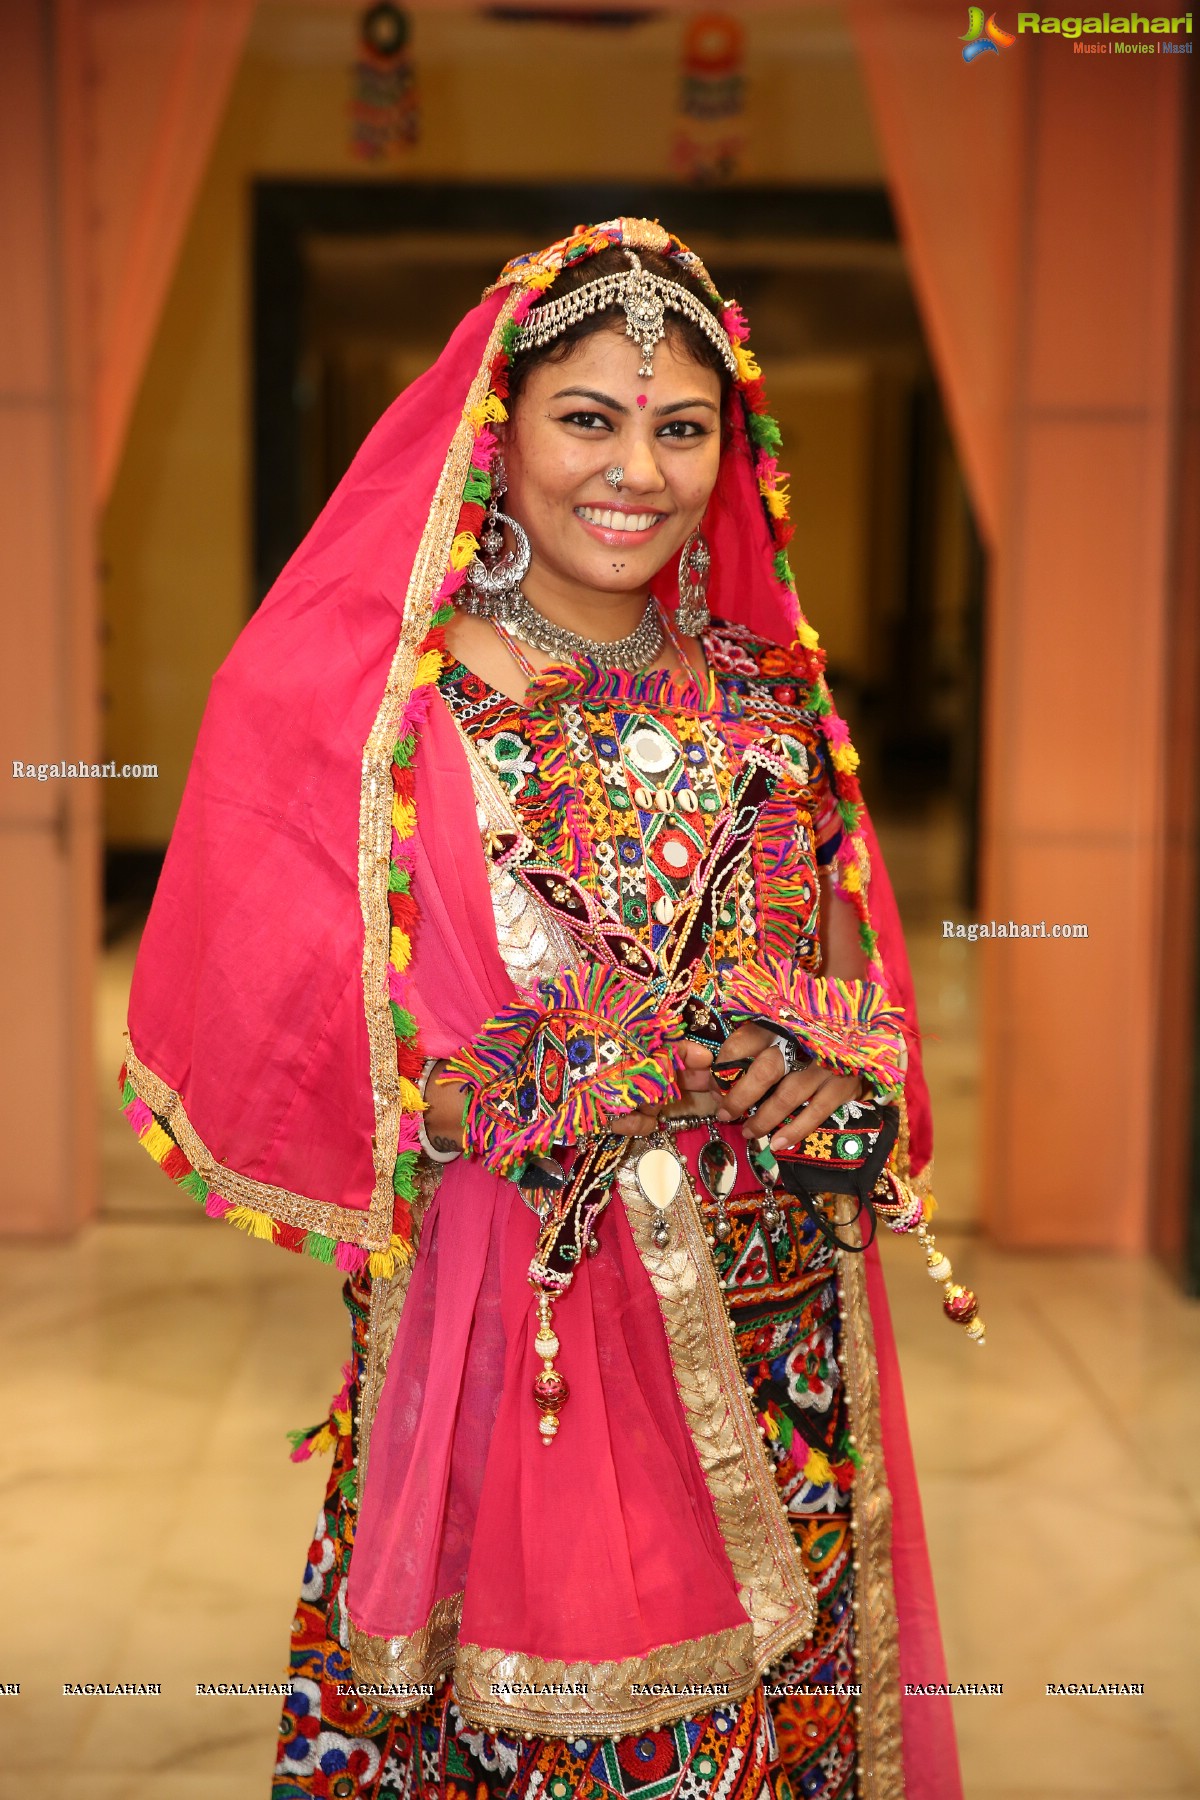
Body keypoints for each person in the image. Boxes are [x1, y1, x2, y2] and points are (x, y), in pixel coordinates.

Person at [120, 217, 970, 1799]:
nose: (634, 468)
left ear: (732, 450)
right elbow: (297, 1073)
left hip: (780, 1345)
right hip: (533, 1371)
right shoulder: (380, 721)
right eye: (588, 416)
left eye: (681, 426)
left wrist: (831, 1071)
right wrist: (540, 1084)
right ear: (496, 436)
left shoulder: (772, 698)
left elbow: (859, 1013)